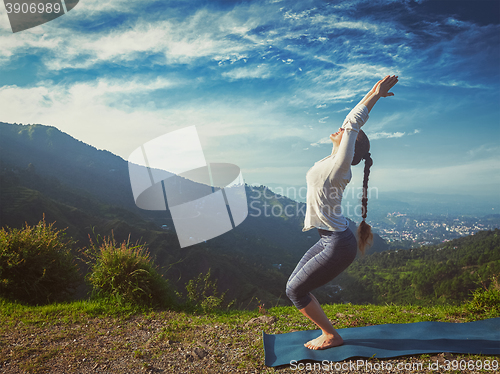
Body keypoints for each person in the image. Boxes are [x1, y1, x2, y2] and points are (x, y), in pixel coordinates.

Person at [286, 75, 399, 350]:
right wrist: (371, 94)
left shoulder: (340, 166)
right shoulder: (332, 159)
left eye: (348, 134)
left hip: (338, 243)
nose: (341, 128)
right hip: (331, 238)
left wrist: (374, 95)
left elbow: (352, 122)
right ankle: (328, 331)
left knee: (295, 291)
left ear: (352, 146)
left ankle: (331, 335)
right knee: (293, 285)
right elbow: (349, 123)